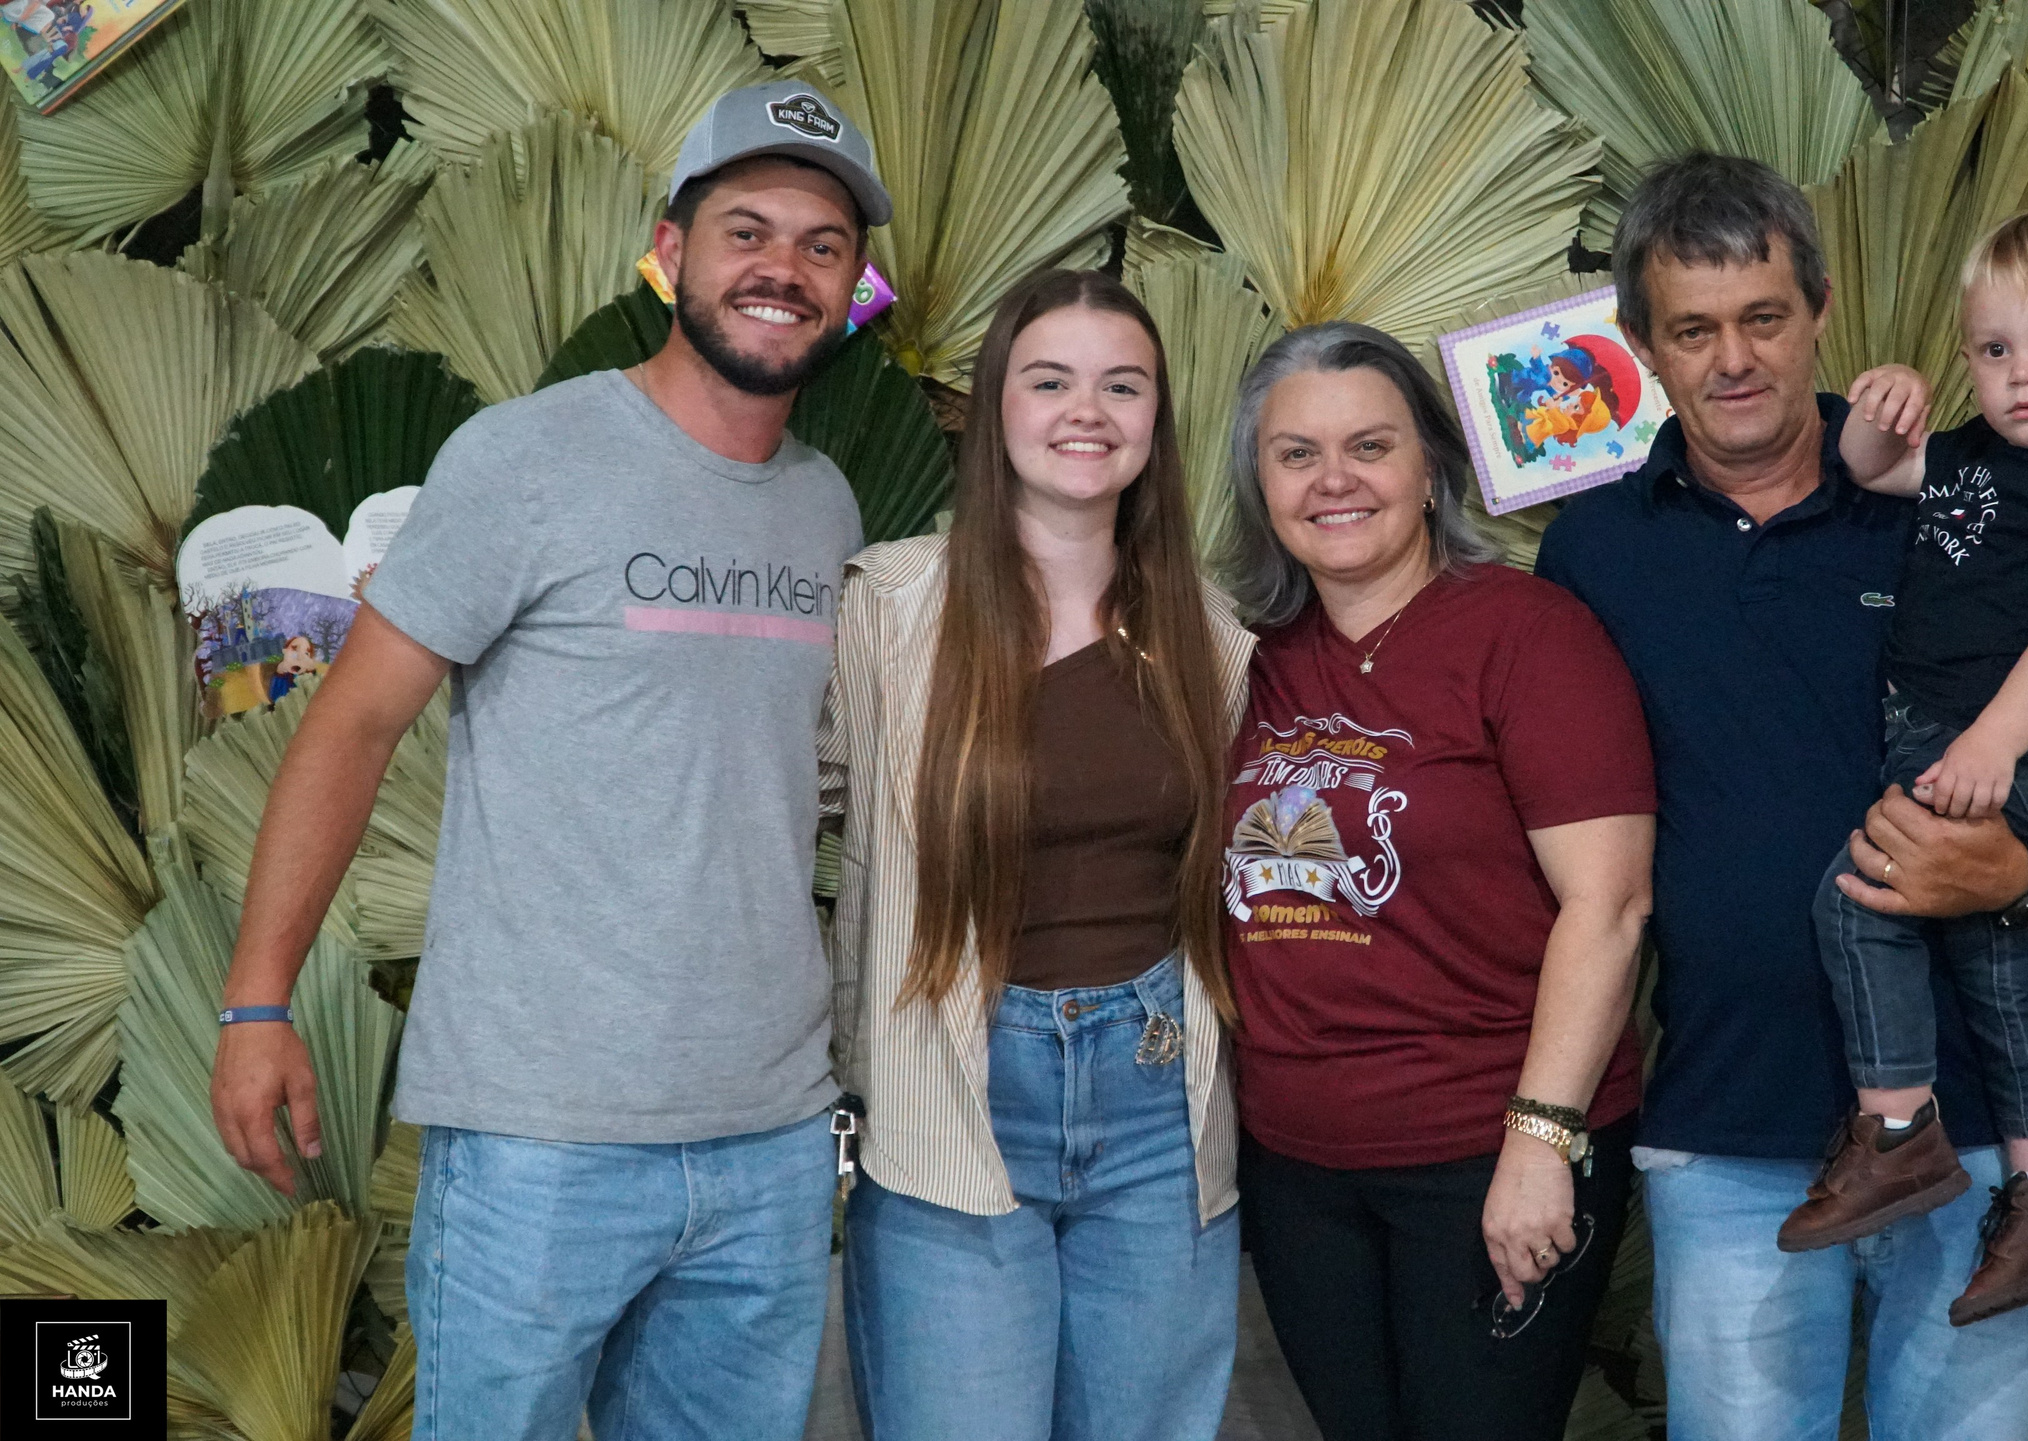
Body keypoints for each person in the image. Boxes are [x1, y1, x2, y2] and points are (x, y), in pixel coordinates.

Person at [207, 81, 889, 1440]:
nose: (782, 269)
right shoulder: (529, 458)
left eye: (821, 246)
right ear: (670, 251)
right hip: (542, 1129)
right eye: (746, 229)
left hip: (765, 1131)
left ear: (851, 285)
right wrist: (256, 1002)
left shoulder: (826, 507)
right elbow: (349, 724)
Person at [1534, 153, 2028, 1441]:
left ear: (1819, 305)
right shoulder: (1594, 551)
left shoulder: (1951, 493)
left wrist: (2020, 875)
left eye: (1763, 316)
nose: (1734, 359)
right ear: (1639, 344)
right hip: (1731, 1129)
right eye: (1693, 329)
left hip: (1985, 1133)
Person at [822, 268, 1251, 1441]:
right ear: (994, 406)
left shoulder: (1214, 638)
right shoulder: (889, 608)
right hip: (949, 1090)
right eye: (1050, 380)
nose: (1087, 412)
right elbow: (763, 822)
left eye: (1123, 386)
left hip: (1158, 1098)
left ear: (1158, 419)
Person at [1219, 321, 1657, 1441]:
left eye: (1369, 445)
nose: (1333, 481)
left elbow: (1608, 906)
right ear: (1258, 481)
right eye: (1295, 453)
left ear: (1430, 470)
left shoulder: (1526, 634)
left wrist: (1539, 1142)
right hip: (1298, 1170)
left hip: (1486, 1149)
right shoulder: (1249, 657)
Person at [1792, 208, 2028, 1324]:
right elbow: (1870, 468)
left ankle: (1898, 1128)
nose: (2022, 376)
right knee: (1999, 965)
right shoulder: (1966, 460)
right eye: (1994, 351)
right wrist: (1881, 405)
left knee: (1857, 902)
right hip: (1946, 738)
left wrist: (1991, 746)